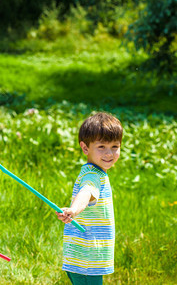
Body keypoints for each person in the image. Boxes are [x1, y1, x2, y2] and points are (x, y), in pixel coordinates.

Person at [56, 112, 123, 285]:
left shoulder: (96, 172)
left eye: (115, 146)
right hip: (87, 258)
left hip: (83, 257)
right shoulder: (93, 175)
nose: (109, 153)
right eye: (101, 147)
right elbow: (87, 192)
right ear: (85, 148)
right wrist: (74, 210)